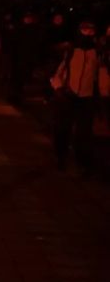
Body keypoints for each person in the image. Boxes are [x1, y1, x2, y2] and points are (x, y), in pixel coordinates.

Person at [50, 21, 110, 174]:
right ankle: (60, 156)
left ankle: (82, 162)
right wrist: (59, 88)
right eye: (85, 30)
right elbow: (59, 71)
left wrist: (103, 94)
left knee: (84, 133)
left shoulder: (97, 52)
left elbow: (100, 74)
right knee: (63, 128)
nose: (88, 33)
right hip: (68, 95)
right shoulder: (71, 50)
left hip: (87, 97)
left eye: (91, 30)